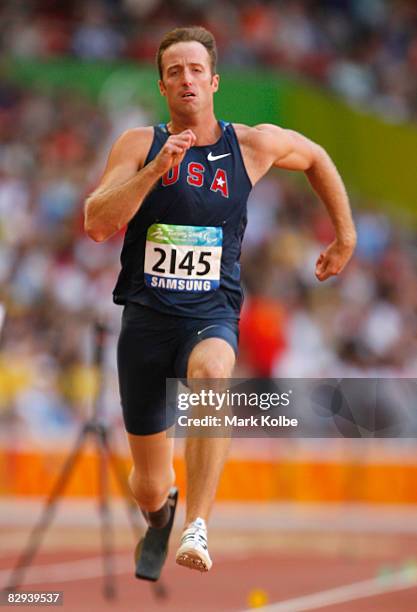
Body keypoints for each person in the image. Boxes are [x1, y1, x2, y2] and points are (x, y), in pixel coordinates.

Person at [84, 25, 356, 576]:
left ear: (214, 82)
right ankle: (163, 518)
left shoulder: (251, 145)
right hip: (146, 321)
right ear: (162, 87)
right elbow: (96, 222)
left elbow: (317, 156)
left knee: (213, 373)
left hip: (210, 315)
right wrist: (156, 170)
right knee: (148, 485)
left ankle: (198, 526)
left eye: (195, 70)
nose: (186, 79)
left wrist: (344, 236)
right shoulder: (139, 145)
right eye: (174, 72)